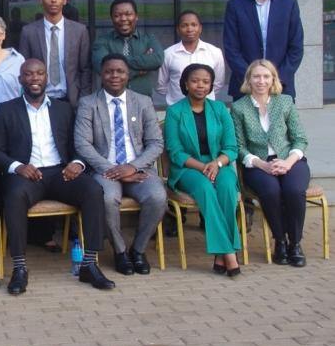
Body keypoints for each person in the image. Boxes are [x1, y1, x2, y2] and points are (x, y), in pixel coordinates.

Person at [0, 59, 114, 293]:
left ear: (47, 78)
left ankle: (89, 264)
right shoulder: (5, 110)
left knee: (94, 190)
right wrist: (17, 167)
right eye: (28, 74)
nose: (34, 78)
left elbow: (78, 144)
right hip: (27, 174)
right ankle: (19, 268)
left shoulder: (63, 108)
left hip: (60, 172)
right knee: (14, 197)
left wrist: (77, 163)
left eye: (39, 74)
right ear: (20, 79)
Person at [74, 54, 167, 275]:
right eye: (109, 71)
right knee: (106, 199)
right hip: (104, 170)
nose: (114, 75)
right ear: (101, 75)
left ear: (128, 75)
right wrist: (114, 170)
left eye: (120, 71)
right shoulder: (88, 103)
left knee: (158, 197)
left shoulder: (142, 101)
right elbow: (82, 144)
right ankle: (120, 251)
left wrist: (132, 167)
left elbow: (155, 143)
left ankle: (138, 249)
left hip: (139, 169)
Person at [164, 63, 241, 277]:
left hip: (219, 163)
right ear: (186, 84)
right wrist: (203, 167)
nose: (201, 85)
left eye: (206, 82)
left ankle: (220, 254)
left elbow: (231, 147)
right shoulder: (175, 111)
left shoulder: (219, 109)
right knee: (206, 189)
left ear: (211, 86)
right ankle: (229, 252)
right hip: (188, 167)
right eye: (195, 81)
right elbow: (175, 152)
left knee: (226, 187)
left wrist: (216, 164)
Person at [231, 59, 309, 267]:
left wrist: (288, 162)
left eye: (266, 76)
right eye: (256, 76)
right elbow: (239, 147)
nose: (261, 81)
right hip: (258, 164)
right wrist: (262, 164)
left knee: (293, 191)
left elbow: (300, 138)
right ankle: (280, 241)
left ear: (273, 79)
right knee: (271, 191)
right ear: (249, 79)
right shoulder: (239, 108)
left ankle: (295, 243)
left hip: (290, 159)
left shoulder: (285, 102)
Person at [223, 0, 303, 101]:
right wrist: (252, 79)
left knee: (280, 126)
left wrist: (275, 80)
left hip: (281, 87)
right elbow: (231, 49)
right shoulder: (235, 6)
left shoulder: (289, 5)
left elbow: (296, 48)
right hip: (244, 87)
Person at [17, 0, 91, 107]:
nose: (53, 0)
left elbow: (85, 69)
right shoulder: (28, 32)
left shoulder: (79, 31)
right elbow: (24, 68)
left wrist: (82, 100)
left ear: (65, 1)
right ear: (41, 0)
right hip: (40, 101)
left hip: (72, 100)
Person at [92, 0, 164, 97]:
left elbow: (157, 59)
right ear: (112, 18)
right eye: (117, 15)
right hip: (110, 103)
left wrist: (116, 64)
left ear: (136, 16)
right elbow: (102, 68)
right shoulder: (102, 42)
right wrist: (141, 68)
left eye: (128, 14)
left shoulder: (149, 39)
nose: (123, 19)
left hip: (143, 103)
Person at [157, 11, 225, 105]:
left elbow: (217, 83)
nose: (190, 29)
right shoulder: (168, 54)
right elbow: (161, 86)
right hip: (177, 109)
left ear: (200, 28)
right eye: (184, 25)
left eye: (194, 25)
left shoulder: (215, 52)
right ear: (178, 29)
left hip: (207, 108)